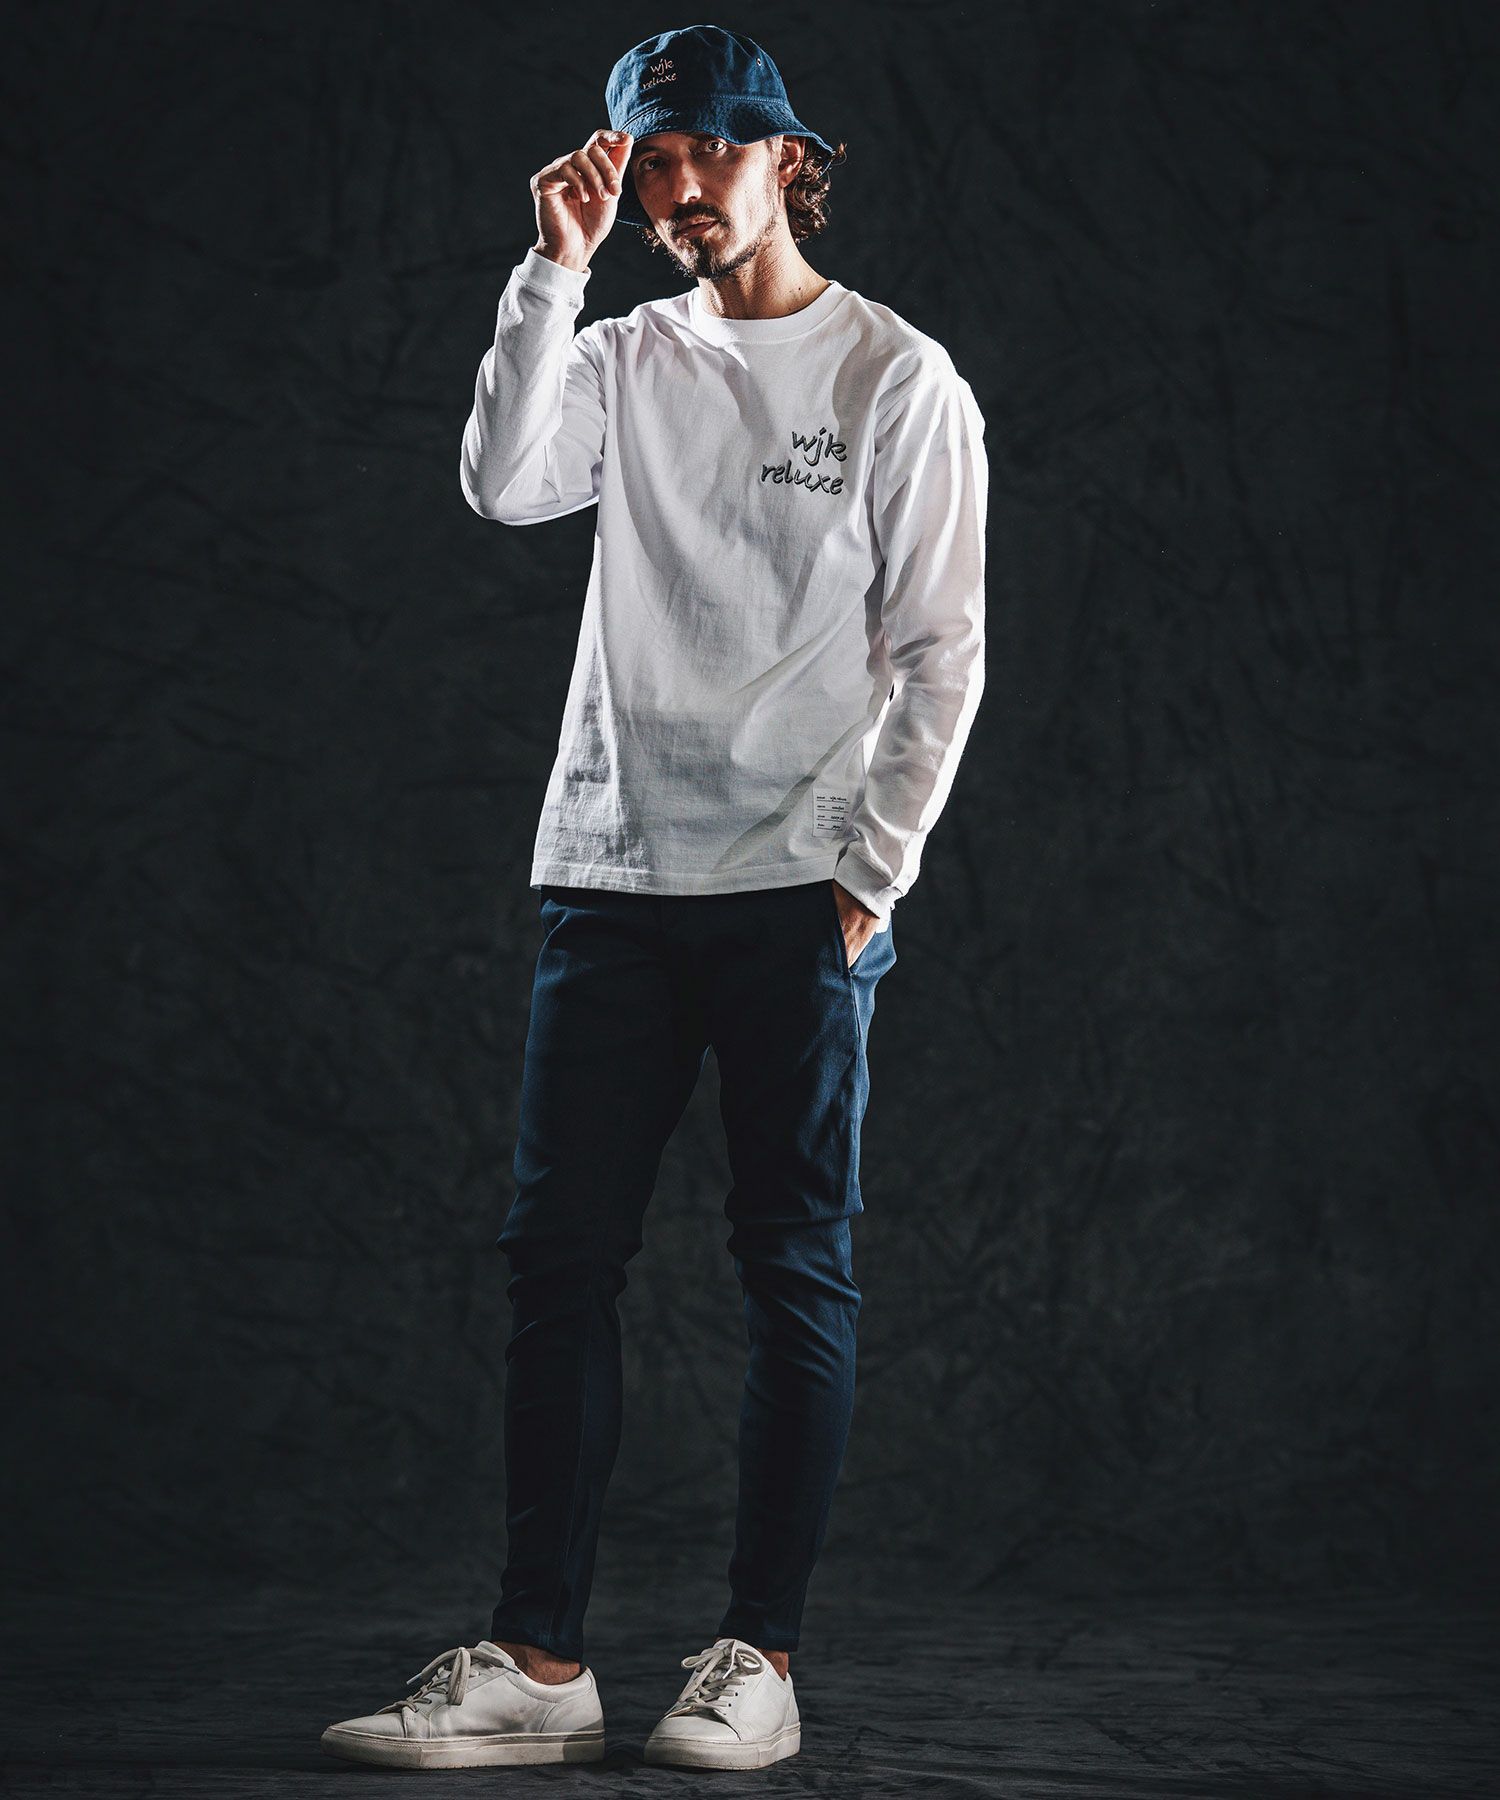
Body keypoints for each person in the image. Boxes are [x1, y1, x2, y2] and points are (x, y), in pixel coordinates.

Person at [321, 23, 987, 1774]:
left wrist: (868, 881)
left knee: (792, 1270)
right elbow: (502, 484)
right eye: (652, 161)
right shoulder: (621, 353)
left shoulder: (896, 377)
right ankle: (542, 1666)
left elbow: (942, 652)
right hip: (610, 874)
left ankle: (759, 1657)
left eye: (710, 151)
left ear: (786, 158)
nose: (680, 188)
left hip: (796, 895)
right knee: (558, 1267)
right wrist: (550, 269)